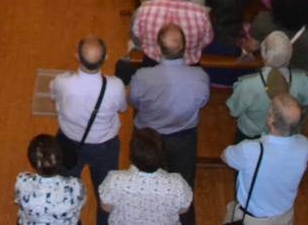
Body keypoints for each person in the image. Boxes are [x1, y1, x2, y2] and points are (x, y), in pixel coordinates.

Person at [127, 24, 209, 206]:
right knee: (183, 188)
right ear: (185, 48)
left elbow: (133, 102)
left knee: (142, 184)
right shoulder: (200, 76)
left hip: (148, 137)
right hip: (184, 138)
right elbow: (203, 102)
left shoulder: (142, 76)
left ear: (158, 49)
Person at [50, 36, 128, 225]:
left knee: (65, 190)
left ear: (77, 57)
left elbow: (53, 96)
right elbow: (123, 108)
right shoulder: (116, 86)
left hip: (68, 142)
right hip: (105, 146)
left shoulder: (63, 82)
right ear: (106, 58)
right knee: (106, 193)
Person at [221, 94, 308, 225]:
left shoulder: (250, 149)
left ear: (270, 120)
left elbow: (225, 156)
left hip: (253, 220)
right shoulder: (304, 144)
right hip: (284, 216)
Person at [225, 32, 308, 140]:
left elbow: (234, 111)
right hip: (286, 134)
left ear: (264, 54)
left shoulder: (247, 84)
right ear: (290, 55)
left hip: (251, 135)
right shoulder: (302, 79)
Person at [96, 127, 192, 224]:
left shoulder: (114, 180)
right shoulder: (177, 183)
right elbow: (183, 209)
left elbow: (106, 207)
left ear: (132, 154)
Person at [128, 0, 214, 69]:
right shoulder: (201, 14)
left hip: (153, 62)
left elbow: (136, 35)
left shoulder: (145, 8)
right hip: (188, 65)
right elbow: (207, 40)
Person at [15, 134, 87, 224]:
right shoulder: (76, 186)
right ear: (60, 160)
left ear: (32, 163)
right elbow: (81, 204)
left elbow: (18, 200)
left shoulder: (22, 181)